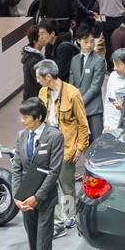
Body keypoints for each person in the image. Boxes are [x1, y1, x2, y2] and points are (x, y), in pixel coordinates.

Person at [12, 97, 64, 250]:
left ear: (39, 118)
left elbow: (54, 172)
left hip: (44, 199)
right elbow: (16, 167)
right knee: (33, 240)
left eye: (26, 117)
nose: (22, 121)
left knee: (44, 243)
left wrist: (38, 197)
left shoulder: (55, 136)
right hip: (25, 199)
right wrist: (17, 195)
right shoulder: (21, 136)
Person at [36, 58, 89, 238]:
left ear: (48, 76)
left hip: (67, 148)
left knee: (67, 186)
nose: (38, 81)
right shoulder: (43, 92)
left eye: (39, 77)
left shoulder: (72, 94)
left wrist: (80, 147)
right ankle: (57, 222)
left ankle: (69, 215)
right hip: (47, 145)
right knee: (50, 185)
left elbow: (82, 123)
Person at [69, 26, 107, 143]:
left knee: (98, 141)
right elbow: (71, 83)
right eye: (86, 42)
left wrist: (80, 102)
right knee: (81, 142)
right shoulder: (74, 60)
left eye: (92, 41)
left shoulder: (99, 60)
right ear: (78, 41)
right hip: (78, 107)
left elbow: (95, 87)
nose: (90, 45)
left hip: (94, 108)